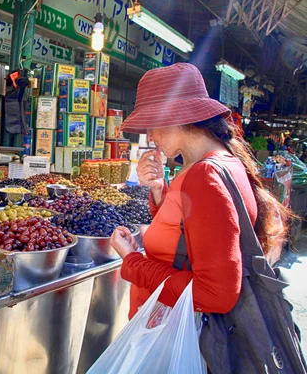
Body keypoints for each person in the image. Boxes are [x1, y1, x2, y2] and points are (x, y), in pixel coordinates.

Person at [110, 63, 291, 322]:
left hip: (176, 333)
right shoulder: (218, 161)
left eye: (151, 124)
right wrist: (160, 191)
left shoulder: (204, 176)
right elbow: (190, 234)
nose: (149, 136)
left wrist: (132, 260)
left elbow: (214, 294)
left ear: (178, 117)